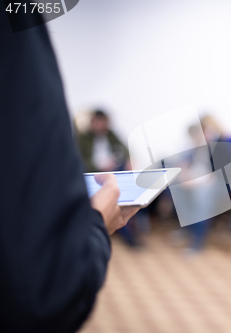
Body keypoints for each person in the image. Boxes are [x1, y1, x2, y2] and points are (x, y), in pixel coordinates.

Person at [0, 13, 138, 332]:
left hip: (106, 175)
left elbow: (121, 150)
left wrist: (124, 162)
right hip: (94, 179)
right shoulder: (15, 28)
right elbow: (47, 293)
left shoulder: (112, 134)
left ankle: (136, 237)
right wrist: (95, 225)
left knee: (123, 181)